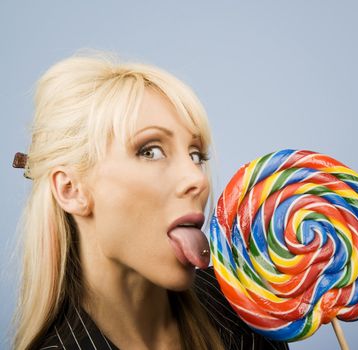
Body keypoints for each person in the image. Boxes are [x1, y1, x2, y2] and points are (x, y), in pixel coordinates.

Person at [10, 50, 290, 350]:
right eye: (150, 151)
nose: (198, 179)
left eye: (196, 155)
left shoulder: (245, 310)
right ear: (71, 190)